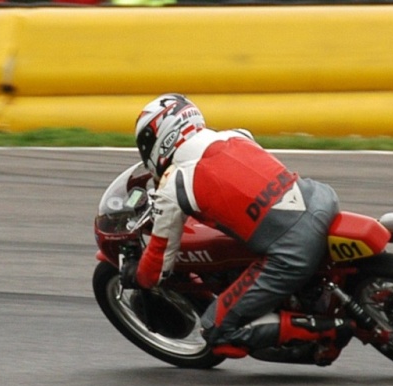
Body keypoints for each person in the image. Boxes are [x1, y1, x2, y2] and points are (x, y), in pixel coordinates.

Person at [123, 93, 353, 365]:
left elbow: (158, 265)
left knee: (216, 331)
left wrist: (136, 275)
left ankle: (331, 329)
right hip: (320, 198)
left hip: (293, 245)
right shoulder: (236, 135)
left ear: (161, 138)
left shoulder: (176, 182)